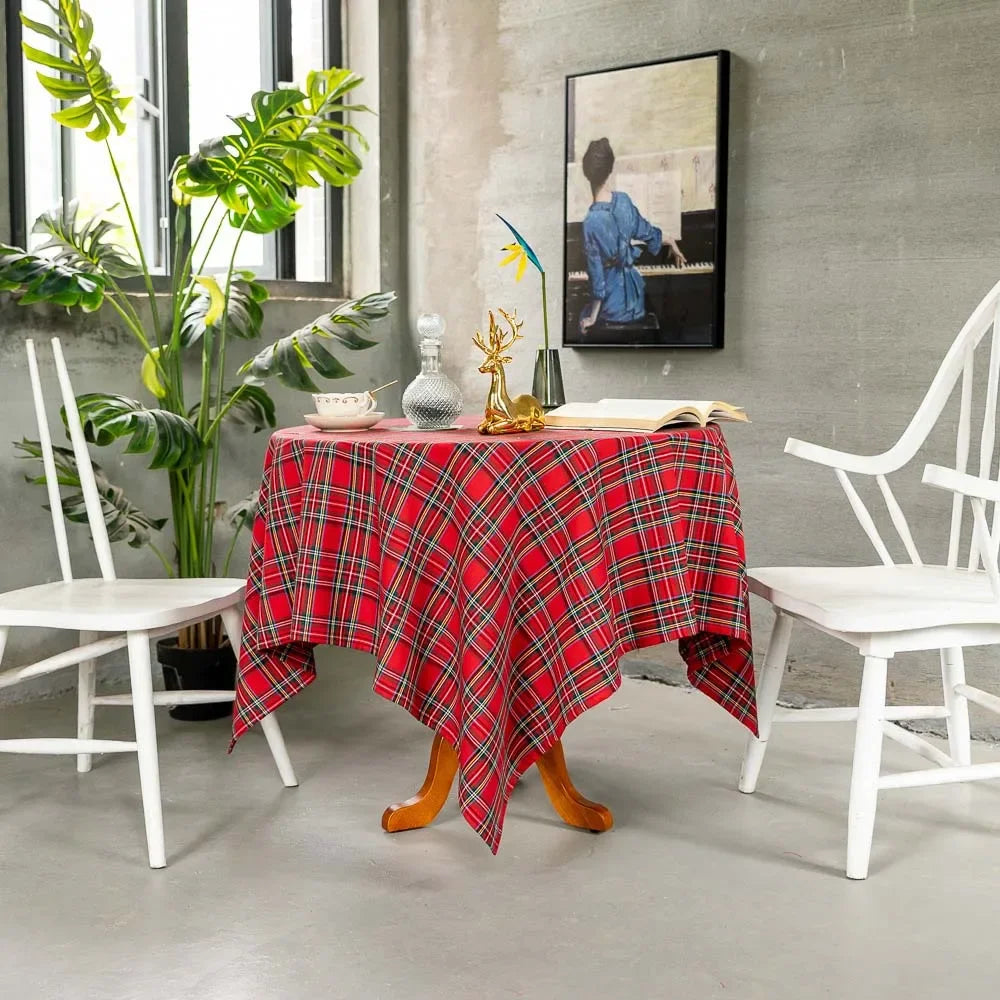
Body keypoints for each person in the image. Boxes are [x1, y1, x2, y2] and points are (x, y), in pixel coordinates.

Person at [577, 137, 686, 335]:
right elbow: (647, 232)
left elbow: (597, 279)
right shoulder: (624, 201)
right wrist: (670, 240)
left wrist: (592, 317)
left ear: (586, 173)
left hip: (612, 306)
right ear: (610, 169)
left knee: (581, 315)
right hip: (635, 300)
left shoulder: (590, 222)